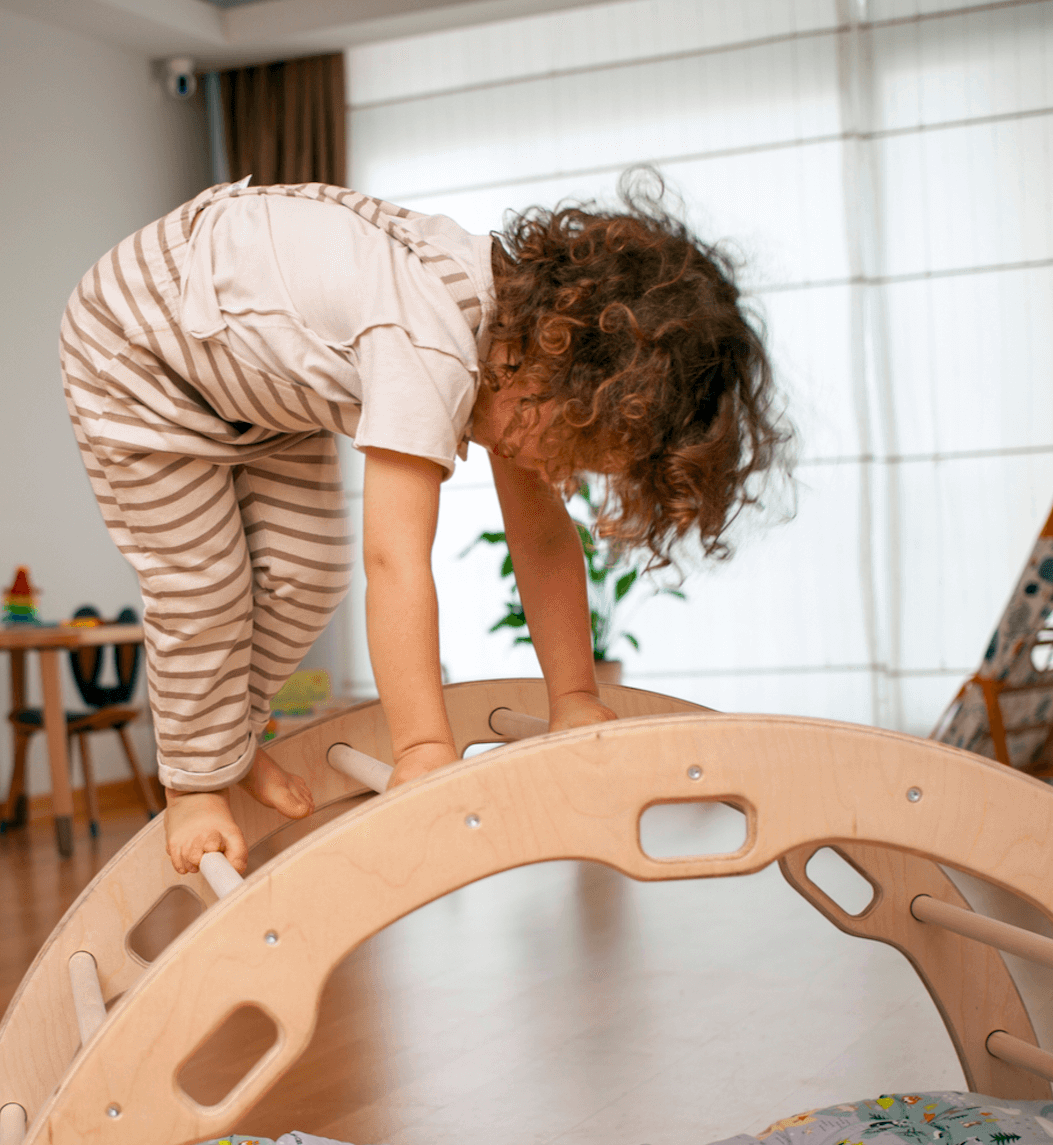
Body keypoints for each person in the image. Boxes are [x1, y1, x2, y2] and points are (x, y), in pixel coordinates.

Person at [59, 175, 786, 876]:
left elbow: (540, 538)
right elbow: (397, 560)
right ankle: (194, 786)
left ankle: (229, 739)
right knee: (207, 584)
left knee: (308, 573)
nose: (549, 468)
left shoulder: (513, 348)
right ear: (553, 368)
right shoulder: (431, 342)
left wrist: (575, 698)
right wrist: (423, 746)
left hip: (257, 390)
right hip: (142, 350)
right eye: (563, 447)